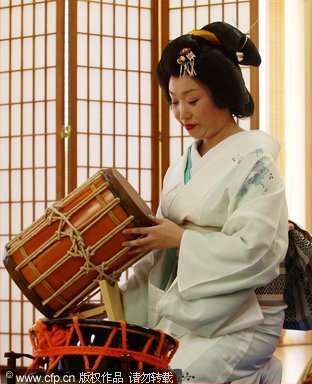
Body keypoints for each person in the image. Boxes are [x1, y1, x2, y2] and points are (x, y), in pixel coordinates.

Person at [118, 21, 289, 383]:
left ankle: (257, 370)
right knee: (133, 373)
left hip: (243, 317)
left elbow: (256, 250)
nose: (182, 113)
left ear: (223, 94)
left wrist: (180, 239)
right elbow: (159, 249)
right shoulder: (181, 166)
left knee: (173, 378)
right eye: (173, 101)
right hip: (186, 311)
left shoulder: (256, 163)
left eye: (192, 100)